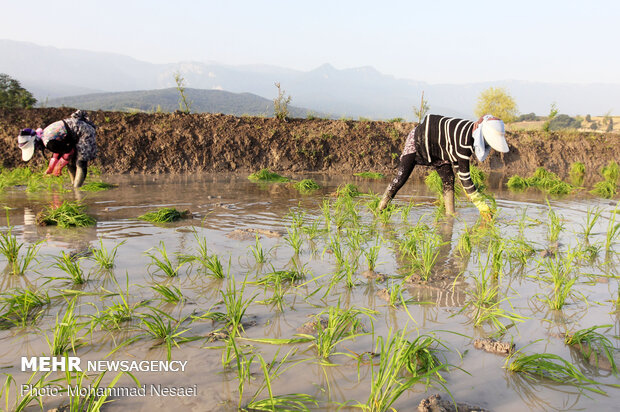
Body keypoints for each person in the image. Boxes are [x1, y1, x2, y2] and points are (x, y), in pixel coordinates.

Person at [378, 114, 509, 219]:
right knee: (402, 176)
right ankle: (381, 206)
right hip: (419, 138)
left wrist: (472, 194)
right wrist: (480, 203)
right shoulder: (466, 141)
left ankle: (450, 214)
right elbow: (464, 177)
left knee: (448, 178)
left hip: (441, 148)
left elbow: (457, 164)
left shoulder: (472, 131)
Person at [17, 110, 97, 188]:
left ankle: (77, 189)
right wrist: (51, 168)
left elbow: (69, 152)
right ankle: (74, 184)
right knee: (69, 162)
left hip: (84, 132)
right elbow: (58, 151)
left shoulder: (49, 143)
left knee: (80, 162)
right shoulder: (44, 138)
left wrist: (58, 168)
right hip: (73, 133)